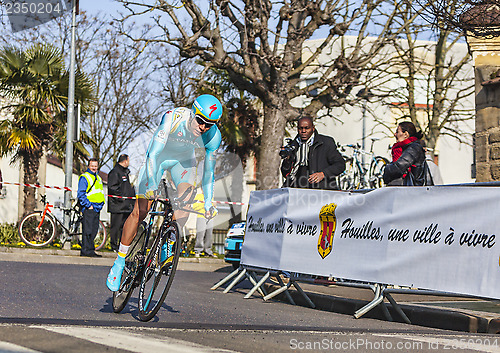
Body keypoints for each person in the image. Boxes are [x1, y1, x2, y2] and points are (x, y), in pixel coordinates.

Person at [106, 94, 222, 291]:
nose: (202, 127)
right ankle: (119, 261)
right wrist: (152, 184)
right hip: (158, 160)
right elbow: (153, 154)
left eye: (208, 124)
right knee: (140, 211)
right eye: (200, 121)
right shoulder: (173, 118)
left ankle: (168, 240)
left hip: (183, 163)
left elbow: (209, 173)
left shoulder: (213, 137)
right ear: (192, 113)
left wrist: (209, 201)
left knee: (186, 201)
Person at [280, 116, 345, 190]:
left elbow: (340, 165)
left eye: (307, 128)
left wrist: (323, 174)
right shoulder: (293, 145)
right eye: (300, 128)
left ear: (313, 128)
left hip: (321, 189)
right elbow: (285, 172)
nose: (303, 131)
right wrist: (287, 161)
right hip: (298, 189)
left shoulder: (326, 143)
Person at [383, 121, 430, 186]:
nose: (395, 134)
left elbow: (398, 167)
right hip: (406, 190)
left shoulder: (414, 148)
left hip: (413, 191)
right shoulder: (404, 148)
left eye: (397, 132)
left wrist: (386, 169)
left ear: (406, 134)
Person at [107, 154, 135, 252]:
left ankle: (120, 246)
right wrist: (121, 198)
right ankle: (114, 246)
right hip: (117, 206)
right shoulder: (115, 172)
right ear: (125, 161)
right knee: (116, 227)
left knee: (124, 228)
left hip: (126, 206)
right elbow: (113, 187)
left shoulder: (125, 173)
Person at [77, 158, 105, 257]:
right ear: (88, 166)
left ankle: (90, 250)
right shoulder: (85, 177)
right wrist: (89, 205)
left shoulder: (98, 178)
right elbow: (81, 194)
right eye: (92, 165)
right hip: (90, 208)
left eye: (96, 166)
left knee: (94, 230)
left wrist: (100, 205)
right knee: (87, 231)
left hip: (96, 208)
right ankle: (86, 250)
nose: (94, 167)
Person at [193, 192, 216, 257]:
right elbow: (195, 207)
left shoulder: (211, 197)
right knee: (200, 234)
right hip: (201, 216)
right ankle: (198, 250)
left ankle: (208, 251)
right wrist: (205, 208)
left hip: (210, 218)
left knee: (209, 235)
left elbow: (213, 207)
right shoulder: (198, 196)